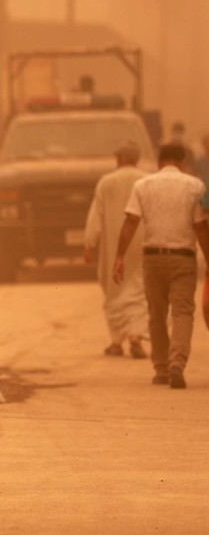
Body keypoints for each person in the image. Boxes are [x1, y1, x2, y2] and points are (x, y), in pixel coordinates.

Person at [113, 144, 209, 389]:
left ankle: (161, 369)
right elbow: (200, 227)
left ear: (159, 162)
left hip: (152, 258)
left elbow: (131, 221)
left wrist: (119, 257)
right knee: (182, 312)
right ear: (182, 162)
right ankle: (177, 363)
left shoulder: (143, 185)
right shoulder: (195, 186)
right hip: (183, 258)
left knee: (156, 314)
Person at [84, 143, 149, 358]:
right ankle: (135, 337)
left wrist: (89, 243)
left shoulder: (106, 182)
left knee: (114, 291)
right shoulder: (146, 180)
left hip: (113, 248)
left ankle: (116, 341)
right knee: (139, 289)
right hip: (141, 244)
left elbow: (96, 215)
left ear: (119, 158)